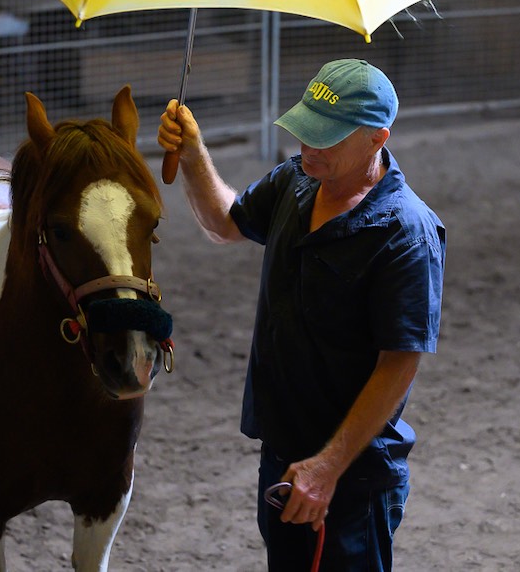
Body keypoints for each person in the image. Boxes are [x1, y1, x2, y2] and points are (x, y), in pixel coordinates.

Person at [157, 58, 446, 571]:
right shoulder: (297, 181)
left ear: (377, 140)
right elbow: (226, 223)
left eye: (327, 138)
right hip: (284, 455)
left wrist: (328, 467)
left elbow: (400, 362)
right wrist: (194, 152)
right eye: (305, 130)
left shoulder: (406, 232)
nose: (308, 147)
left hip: (350, 475)